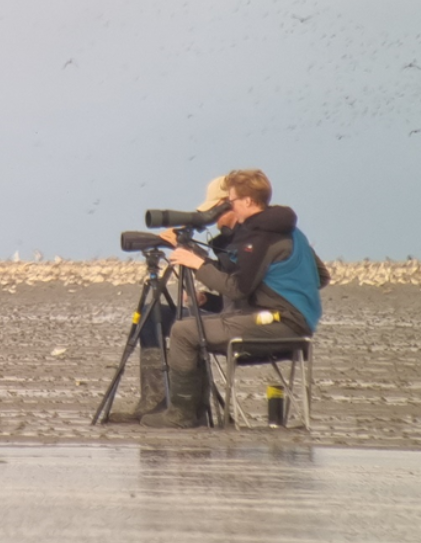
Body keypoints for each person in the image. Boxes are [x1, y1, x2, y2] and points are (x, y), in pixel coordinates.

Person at [140, 169, 330, 429]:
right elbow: (321, 277)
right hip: (295, 324)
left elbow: (237, 288)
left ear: (248, 201)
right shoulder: (293, 233)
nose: (230, 206)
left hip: (278, 324)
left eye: (232, 201)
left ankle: (182, 414)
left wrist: (197, 264)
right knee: (189, 325)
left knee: (183, 331)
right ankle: (188, 409)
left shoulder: (260, 237)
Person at [107, 175, 234, 423]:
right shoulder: (230, 239)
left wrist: (191, 254)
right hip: (231, 312)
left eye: (218, 210)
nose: (214, 219)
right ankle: (153, 402)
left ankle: (185, 407)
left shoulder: (245, 239)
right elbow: (233, 286)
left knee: (182, 326)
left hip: (240, 321)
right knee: (150, 312)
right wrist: (207, 300)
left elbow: (241, 286)